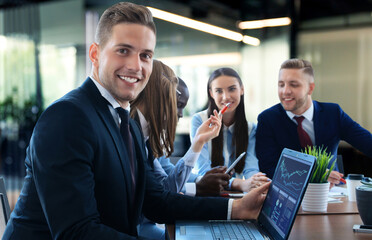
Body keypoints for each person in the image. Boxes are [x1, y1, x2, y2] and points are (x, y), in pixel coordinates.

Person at [3, 2, 270, 239]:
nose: (136, 66)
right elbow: (77, 231)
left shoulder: (126, 122)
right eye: (123, 51)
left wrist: (235, 208)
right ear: (95, 54)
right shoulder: (67, 118)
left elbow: (156, 202)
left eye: (145, 55)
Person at [131, 60, 230, 239]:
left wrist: (198, 142)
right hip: (138, 228)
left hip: (146, 224)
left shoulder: (146, 137)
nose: (181, 114)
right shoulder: (134, 136)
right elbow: (165, 194)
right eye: (177, 105)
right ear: (160, 98)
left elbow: (166, 186)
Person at [256, 58, 372, 187]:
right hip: (290, 193)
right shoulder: (267, 119)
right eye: (281, 84)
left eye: (293, 85)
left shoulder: (333, 113)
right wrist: (318, 173)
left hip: (333, 192)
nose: (285, 91)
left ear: (310, 88)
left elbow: (367, 142)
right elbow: (268, 167)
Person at [191, 67, 269, 193]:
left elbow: (251, 168)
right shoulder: (199, 121)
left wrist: (256, 181)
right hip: (205, 194)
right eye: (219, 91)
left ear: (242, 89)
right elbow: (203, 171)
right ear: (211, 93)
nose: (226, 97)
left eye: (232, 89)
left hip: (234, 196)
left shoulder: (250, 129)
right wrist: (238, 184)